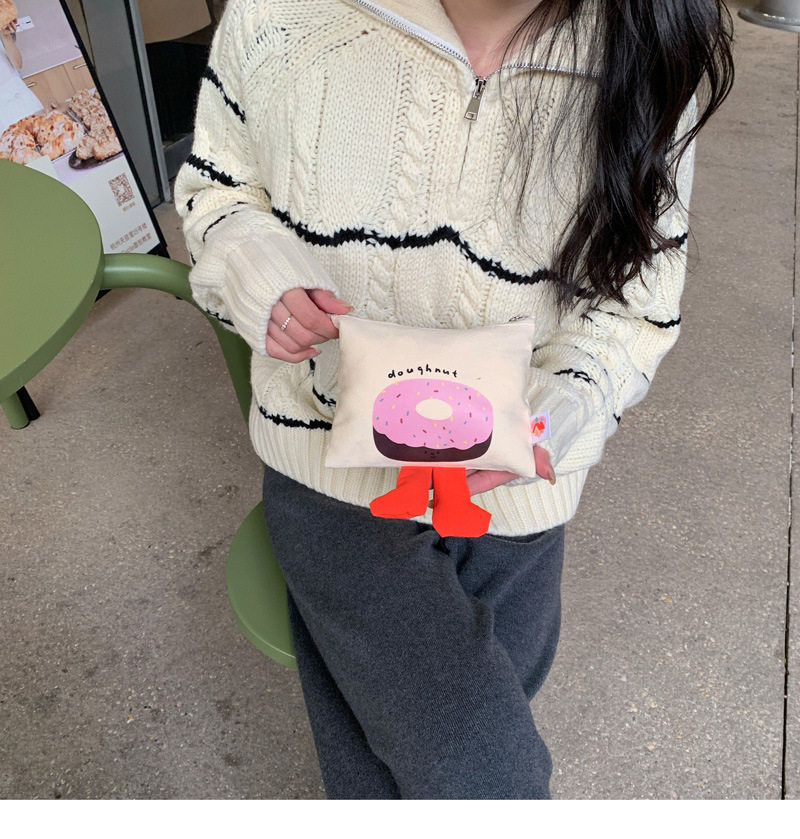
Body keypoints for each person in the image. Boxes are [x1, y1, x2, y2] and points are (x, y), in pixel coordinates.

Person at [175, 0, 733, 799]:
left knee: (427, 759)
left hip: (520, 495)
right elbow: (218, 192)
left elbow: (635, 308)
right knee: (488, 776)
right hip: (329, 472)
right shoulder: (281, 16)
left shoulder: (646, 48)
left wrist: (562, 408)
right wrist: (255, 271)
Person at [0, 13, 42, 126]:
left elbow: (18, 64)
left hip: (22, 98)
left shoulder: (1, 25)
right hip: (3, 117)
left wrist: (6, 36)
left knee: (44, 130)